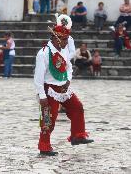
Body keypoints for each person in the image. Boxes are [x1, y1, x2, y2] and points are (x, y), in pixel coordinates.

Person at [34, 14, 94, 156]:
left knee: (77, 107)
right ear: (56, 38)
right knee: (49, 119)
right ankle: (44, 146)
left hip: (63, 87)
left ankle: (77, 136)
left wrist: (68, 80)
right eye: (65, 39)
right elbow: (38, 77)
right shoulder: (43, 53)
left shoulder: (64, 50)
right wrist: (42, 96)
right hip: (49, 90)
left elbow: (68, 68)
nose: (67, 42)